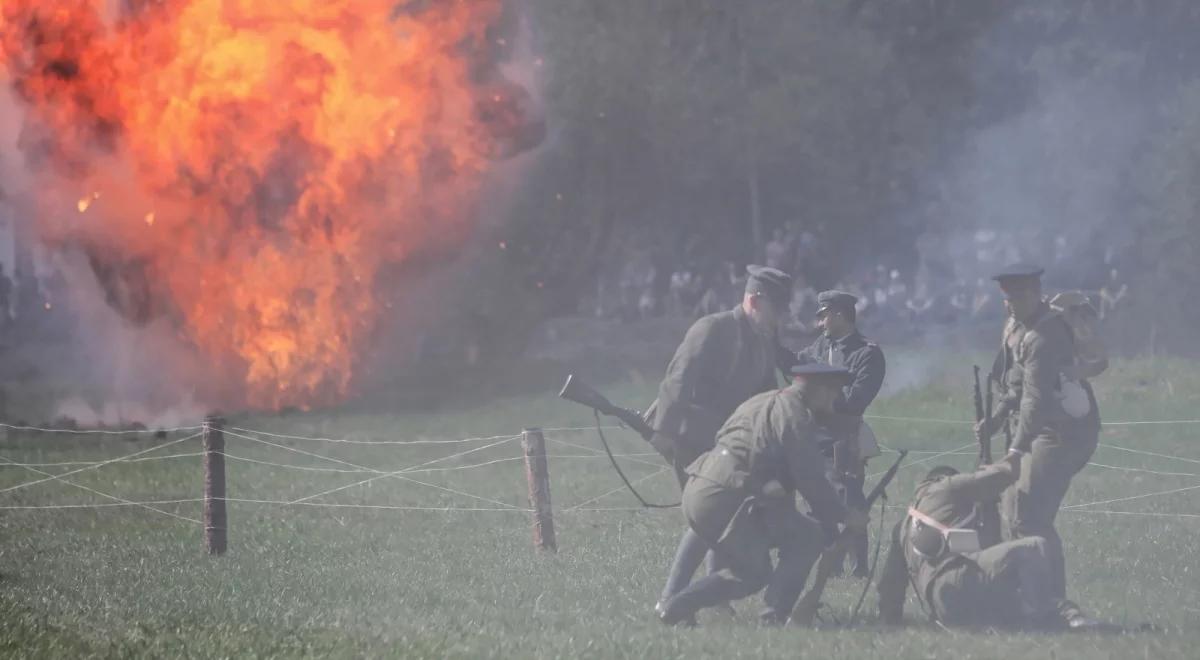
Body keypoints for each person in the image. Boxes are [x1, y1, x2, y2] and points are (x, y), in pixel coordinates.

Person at [656, 364, 869, 626]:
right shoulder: (795, 415)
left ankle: (681, 603)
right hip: (730, 497)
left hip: (702, 489)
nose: (834, 401)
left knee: (801, 536)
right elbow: (810, 477)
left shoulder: (761, 401)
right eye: (834, 393)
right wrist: (844, 515)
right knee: (756, 570)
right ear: (823, 391)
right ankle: (690, 605)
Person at [649, 265, 799, 612]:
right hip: (690, 438)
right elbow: (677, 381)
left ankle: (710, 597)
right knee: (708, 517)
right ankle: (670, 599)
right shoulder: (712, 328)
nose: (779, 318)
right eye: (775, 309)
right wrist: (665, 433)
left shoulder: (763, 340)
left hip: (727, 443)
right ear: (754, 300)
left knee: (723, 514)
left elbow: (763, 393)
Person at [976, 264, 1101, 601]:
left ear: (1033, 295)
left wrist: (1016, 450)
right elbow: (1016, 383)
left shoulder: (1046, 336)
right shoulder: (1017, 326)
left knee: (1030, 514)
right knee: (1013, 509)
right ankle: (1023, 596)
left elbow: (1037, 399)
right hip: (1037, 427)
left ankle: (1053, 602)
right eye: (1006, 297)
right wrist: (999, 417)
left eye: (1015, 297)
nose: (1008, 304)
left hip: (1061, 431)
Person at [876, 453, 1104, 630]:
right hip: (959, 582)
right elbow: (1001, 476)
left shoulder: (903, 527)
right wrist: (1008, 458)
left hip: (943, 608)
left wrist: (890, 621)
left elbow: (890, 586)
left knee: (1011, 605)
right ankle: (1046, 619)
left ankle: (1064, 615)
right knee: (1035, 547)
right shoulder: (945, 487)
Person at [794, 290, 886, 577]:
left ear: (839, 315)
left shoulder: (867, 354)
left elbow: (855, 400)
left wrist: (820, 395)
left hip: (844, 439)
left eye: (824, 316)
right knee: (816, 500)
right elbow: (793, 366)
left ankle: (859, 566)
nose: (820, 323)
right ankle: (828, 561)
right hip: (814, 435)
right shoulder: (819, 348)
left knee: (850, 499)